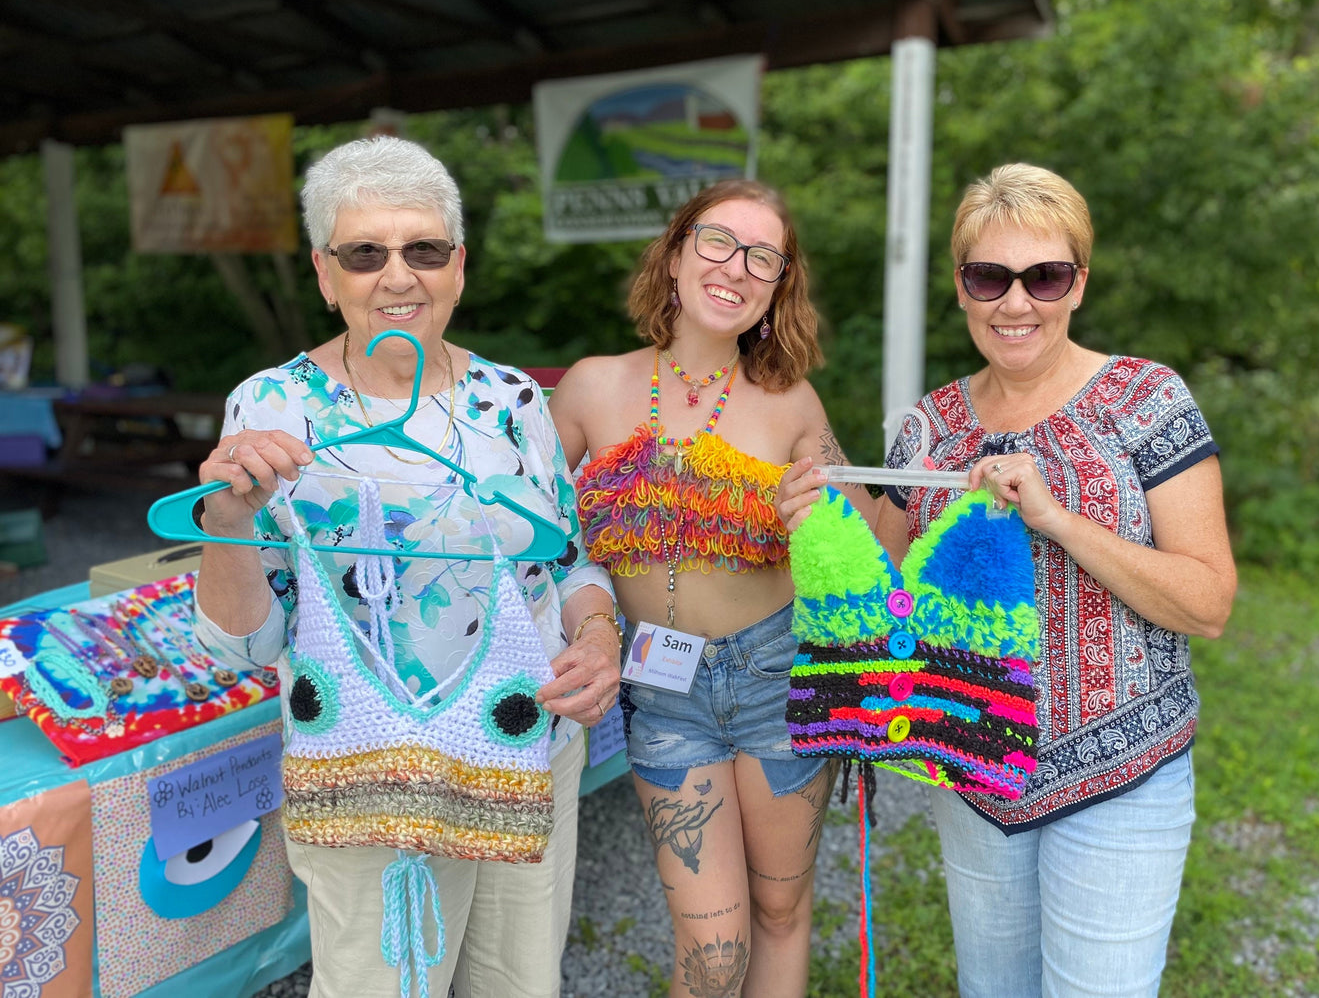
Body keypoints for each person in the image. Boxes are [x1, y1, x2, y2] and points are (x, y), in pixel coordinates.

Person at [778, 163, 1237, 998]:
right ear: (960, 288)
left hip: (1123, 774)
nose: (1015, 302)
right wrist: (819, 519)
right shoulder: (927, 428)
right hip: (976, 764)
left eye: (1044, 276)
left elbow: (1206, 604)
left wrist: (1058, 519)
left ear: (1078, 284)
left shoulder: (1145, 399)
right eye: (989, 276)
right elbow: (888, 600)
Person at [190, 135, 621, 998]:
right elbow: (244, 646)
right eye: (365, 253)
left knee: (518, 983)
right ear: (325, 273)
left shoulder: (513, 400)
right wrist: (227, 520)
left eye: (423, 249)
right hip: (366, 767)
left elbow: (571, 561)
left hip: (522, 747)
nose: (398, 276)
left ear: (458, 266)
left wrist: (599, 633)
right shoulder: (269, 408)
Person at [547, 180, 867, 997]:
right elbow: (527, 529)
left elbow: (870, 548)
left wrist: (824, 517)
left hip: (775, 680)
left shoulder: (790, 402)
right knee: (710, 945)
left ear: (778, 286)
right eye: (719, 241)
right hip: (662, 690)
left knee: (780, 909)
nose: (737, 267)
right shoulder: (591, 387)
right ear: (678, 252)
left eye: (764, 256)